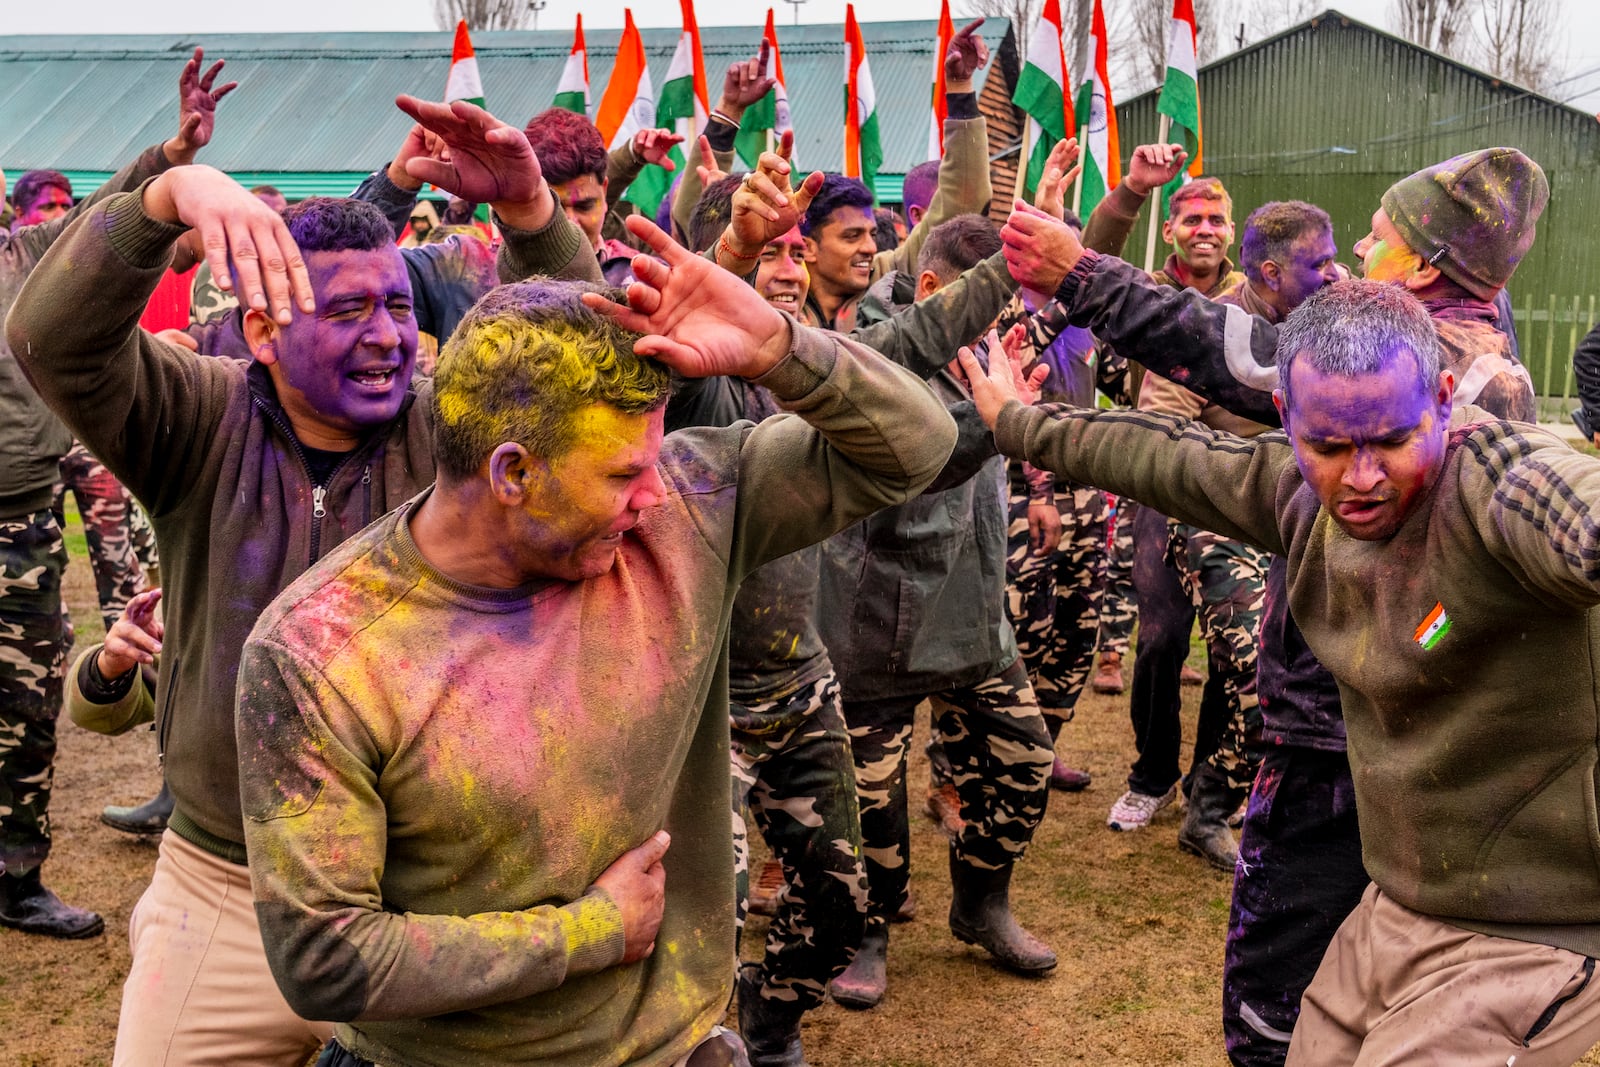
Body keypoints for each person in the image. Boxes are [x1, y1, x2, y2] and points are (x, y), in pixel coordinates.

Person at [229, 204, 955, 1066]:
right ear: (513, 472)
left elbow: (917, 446)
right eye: (622, 473)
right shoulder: (325, 653)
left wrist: (778, 348)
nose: (655, 494)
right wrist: (590, 931)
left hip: (668, 1045)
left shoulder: (686, 510)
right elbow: (324, 958)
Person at [9, 92, 590, 1063]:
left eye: (399, 306)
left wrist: (533, 216)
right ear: (265, 326)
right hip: (226, 890)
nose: (386, 336)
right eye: (349, 307)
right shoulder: (198, 417)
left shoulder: (449, 429)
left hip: (431, 891)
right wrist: (170, 189)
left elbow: (569, 359)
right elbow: (49, 339)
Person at [997, 146, 1547, 1064]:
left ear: (1417, 263)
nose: (1349, 261)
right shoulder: (1489, 358)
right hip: (1420, 736)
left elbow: (1225, 350)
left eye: (1371, 240)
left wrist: (1082, 273)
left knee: (1278, 1005)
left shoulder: (1402, 358)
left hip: (1339, 739)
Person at [0, 47, 232, 939]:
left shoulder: (28, 257)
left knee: (24, 708)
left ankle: (17, 879)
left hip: (20, 523)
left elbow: (103, 218)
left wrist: (170, 158)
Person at [819, 217, 1058, 1010]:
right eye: (987, 308)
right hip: (881, 619)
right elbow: (909, 460)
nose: (1004, 326)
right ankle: (870, 929)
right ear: (932, 293)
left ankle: (981, 901)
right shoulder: (874, 350)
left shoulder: (990, 343)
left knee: (1024, 766)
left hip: (974, 613)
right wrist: (1000, 425)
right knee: (873, 801)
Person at [796, 18, 993, 332]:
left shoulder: (885, 276)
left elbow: (962, 203)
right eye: (851, 236)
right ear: (807, 247)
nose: (870, 248)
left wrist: (959, 91)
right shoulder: (771, 302)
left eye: (871, 234)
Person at [521, 107, 684, 284]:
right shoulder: (493, 274)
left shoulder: (641, 276)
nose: (571, 223)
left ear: (605, 192)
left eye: (585, 206)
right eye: (556, 209)